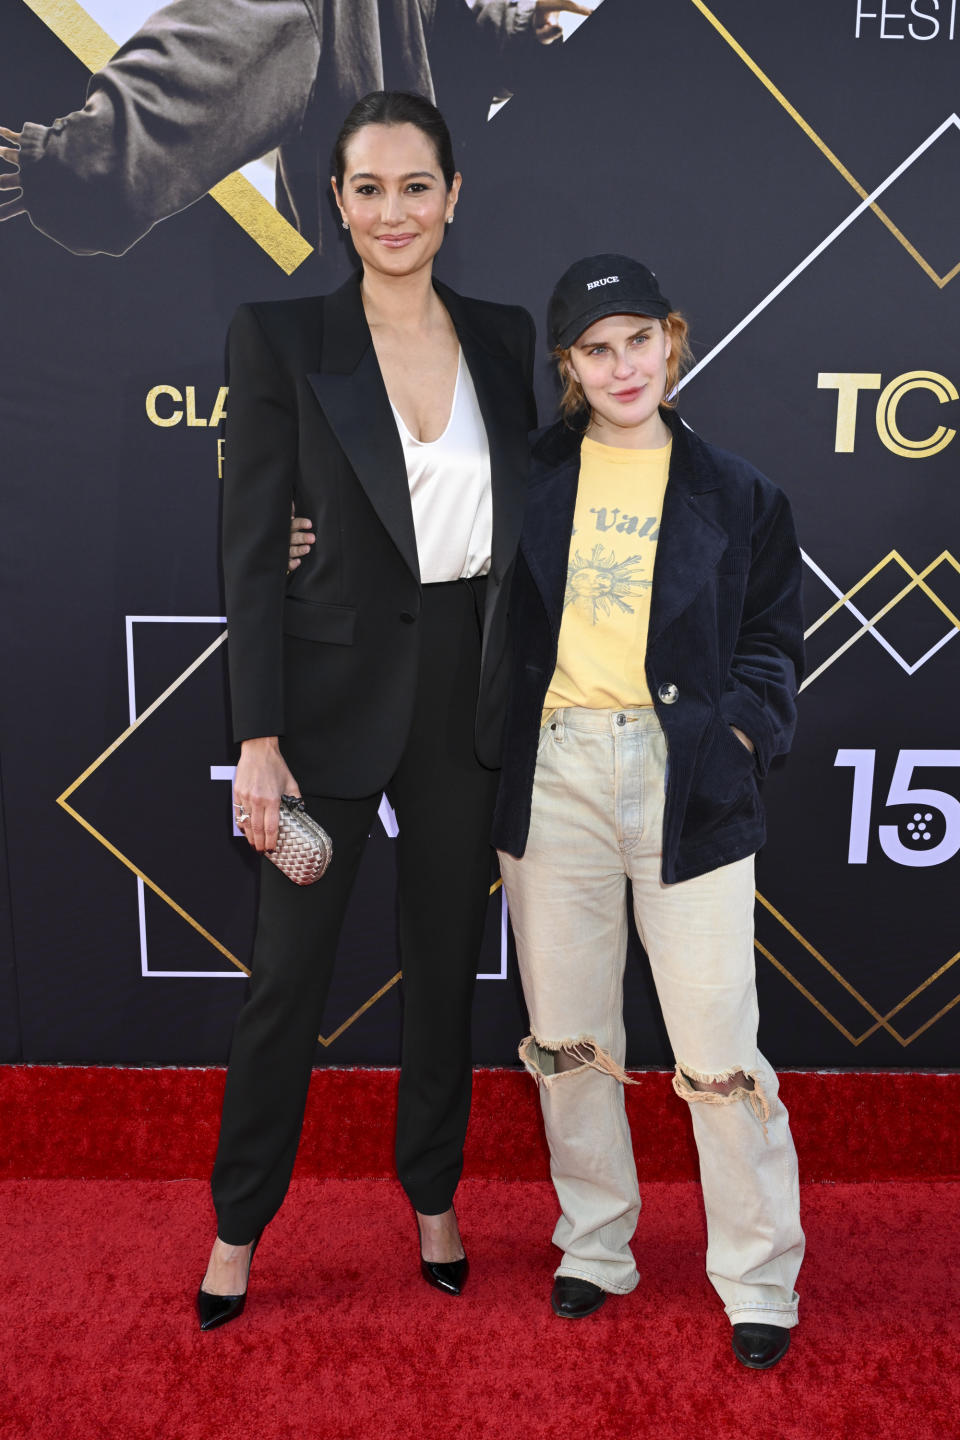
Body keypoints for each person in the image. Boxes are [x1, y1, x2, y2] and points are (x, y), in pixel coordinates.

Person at [197, 90, 537, 1331]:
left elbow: (535, 519)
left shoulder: (506, 339)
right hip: (326, 694)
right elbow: (250, 546)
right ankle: (239, 1227)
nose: (394, 211)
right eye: (368, 188)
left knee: (443, 968)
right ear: (335, 204)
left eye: (417, 186)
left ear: (453, 198)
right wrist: (258, 738)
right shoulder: (280, 336)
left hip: (465, 693)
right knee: (286, 979)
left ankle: (435, 1200)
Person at [491, 255, 806, 1369]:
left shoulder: (741, 490)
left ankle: (759, 1274)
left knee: (721, 1046)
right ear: (568, 367)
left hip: (691, 779)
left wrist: (735, 732)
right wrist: (305, 542)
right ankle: (594, 1244)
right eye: (595, 347)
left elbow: (773, 643)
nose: (623, 365)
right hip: (554, 772)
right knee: (570, 1035)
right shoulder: (524, 473)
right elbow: (426, 565)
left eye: (640, 339)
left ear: (673, 340)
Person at [0, 0, 591, 258]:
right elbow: (102, 166)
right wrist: (59, 163)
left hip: (438, 335)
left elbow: (433, 32)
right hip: (369, 365)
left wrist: (523, 29)